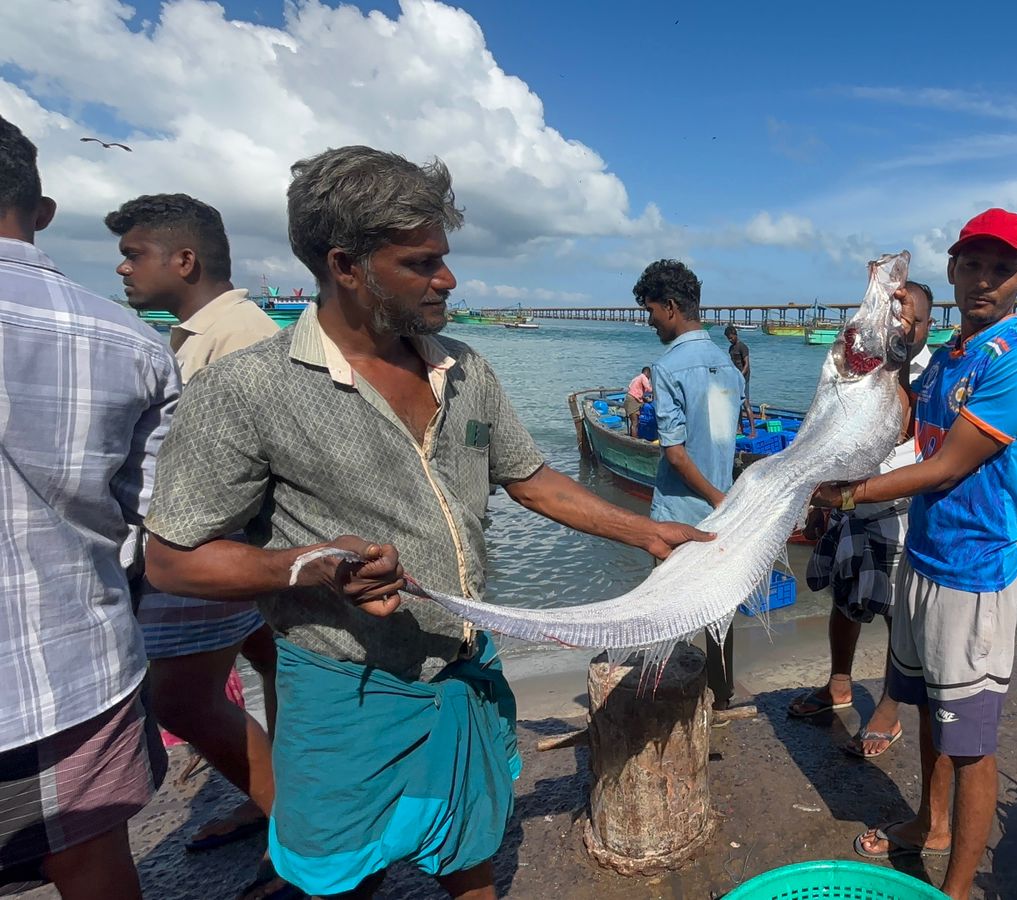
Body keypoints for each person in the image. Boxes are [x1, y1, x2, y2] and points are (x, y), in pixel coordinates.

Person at [141, 146, 709, 900]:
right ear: (346, 265)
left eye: (444, 257)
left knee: (471, 854)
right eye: (421, 263)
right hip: (345, 687)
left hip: (464, 669)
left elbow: (529, 480)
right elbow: (173, 561)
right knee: (339, 874)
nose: (447, 279)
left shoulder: (466, 368)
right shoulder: (247, 390)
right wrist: (311, 565)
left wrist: (646, 533)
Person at [811, 208, 1017, 899]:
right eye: (972, 265)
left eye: (1000, 269)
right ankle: (932, 822)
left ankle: (951, 891)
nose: (984, 280)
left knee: (971, 744)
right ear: (951, 270)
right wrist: (863, 354)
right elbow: (904, 418)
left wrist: (848, 494)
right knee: (924, 707)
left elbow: (946, 467)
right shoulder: (952, 353)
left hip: (972, 578)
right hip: (922, 558)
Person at [0, 115, 178, 899]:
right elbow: (165, 517)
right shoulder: (133, 341)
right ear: (41, 213)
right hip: (73, 664)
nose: (122, 266)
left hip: (70, 666)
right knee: (92, 864)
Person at [103, 194, 284, 866]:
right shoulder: (210, 332)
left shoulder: (237, 337)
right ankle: (280, 794)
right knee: (272, 663)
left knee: (180, 697)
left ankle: (303, 833)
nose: (122, 269)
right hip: (232, 543)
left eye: (132, 254)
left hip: (215, 543)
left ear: (184, 259)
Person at [787, 282, 936, 761]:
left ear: (927, 325)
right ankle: (839, 684)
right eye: (891, 319)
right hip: (848, 503)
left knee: (900, 615)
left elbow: (909, 431)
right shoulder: (857, 365)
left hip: (899, 509)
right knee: (843, 599)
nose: (899, 327)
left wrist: (897, 377)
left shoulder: (931, 375)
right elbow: (829, 430)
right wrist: (817, 502)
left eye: (909, 320)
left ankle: (889, 710)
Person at [637, 259, 746, 713]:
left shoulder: (668, 368)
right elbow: (721, 442)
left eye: (651, 311)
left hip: (681, 513)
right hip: (722, 516)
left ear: (671, 307)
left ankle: (667, 696)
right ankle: (722, 696)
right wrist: (724, 498)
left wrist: (713, 496)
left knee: (666, 608)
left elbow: (677, 454)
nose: (649, 321)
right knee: (719, 612)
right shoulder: (728, 367)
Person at [724, 324, 756, 434]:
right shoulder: (731, 348)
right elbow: (732, 364)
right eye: (728, 338)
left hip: (744, 378)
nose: (730, 340)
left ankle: (753, 430)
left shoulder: (743, 347)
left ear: (735, 335)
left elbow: (747, 365)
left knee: (746, 403)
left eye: (731, 337)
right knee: (737, 404)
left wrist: (740, 377)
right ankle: (739, 428)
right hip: (735, 379)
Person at [624, 365, 652, 437]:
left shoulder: (636, 378)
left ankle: (631, 437)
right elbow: (649, 389)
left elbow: (636, 390)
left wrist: (644, 399)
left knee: (633, 422)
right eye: (649, 376)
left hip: (629, 398)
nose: (649, 378)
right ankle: (634, 440)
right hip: (633, 400)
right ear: (647, 373)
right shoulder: (643, 377)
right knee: (635, 423)